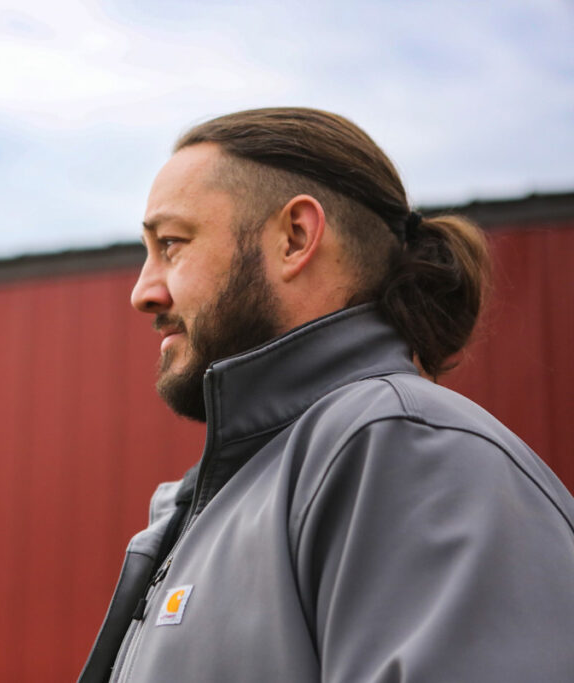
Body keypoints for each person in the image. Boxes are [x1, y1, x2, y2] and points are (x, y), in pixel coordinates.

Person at [79, 108, 574, 682]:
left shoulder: (400, 449)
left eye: (171, 244)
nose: (143, 291)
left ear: (295, 238)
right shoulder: (233, 496)